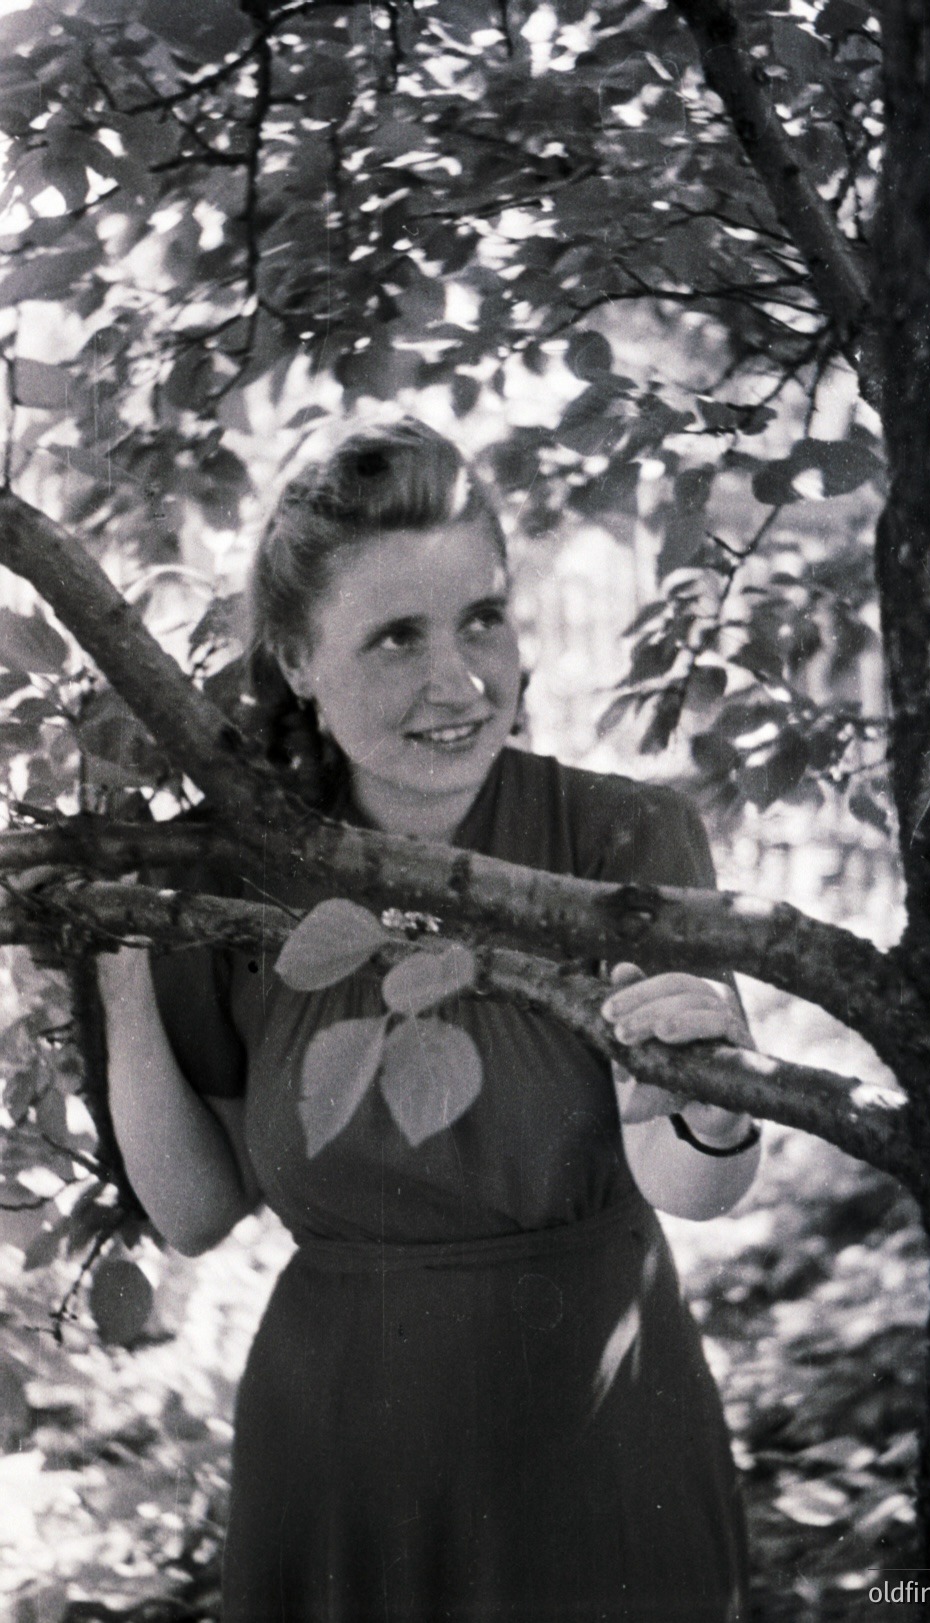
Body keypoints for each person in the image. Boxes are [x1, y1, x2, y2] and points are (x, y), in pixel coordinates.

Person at [97, 421, 762, 1623]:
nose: (459, 681)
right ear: (298, 660)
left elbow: (698, 1184)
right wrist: (122, 961)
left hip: (601, 1443)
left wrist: (711, 1098)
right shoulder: (231, 881)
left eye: (482, 619)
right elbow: (195, 1214)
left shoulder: (620, 844)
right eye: (397, 636)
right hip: (343, 1460)